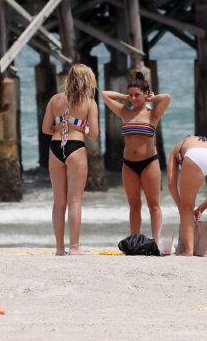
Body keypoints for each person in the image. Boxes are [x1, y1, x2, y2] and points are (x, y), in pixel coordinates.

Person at [100, 71, 170, 241]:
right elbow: (104, 94)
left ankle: (156, 241)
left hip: (149, 163)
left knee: (154, 205)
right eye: (130, 95)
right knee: (134, 206)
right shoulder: (124, 112)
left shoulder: (153, 114)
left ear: (146, 94)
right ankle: (134, 240)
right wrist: (125, 97)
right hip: (129, 164)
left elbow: (167, 98)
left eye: (137, 95)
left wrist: (152, 98)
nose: (133, 98)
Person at [41, 63, 100, 256]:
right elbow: (94, 134)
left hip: (55, 147)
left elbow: (45, 129)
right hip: (75, 147)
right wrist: (80, 128)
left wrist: (61, 126)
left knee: (59, 201)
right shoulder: (89, 103)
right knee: (74, 200)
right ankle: (75, 247)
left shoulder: (55, 100)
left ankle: (59, 248)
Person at [168, 136, 207, 256]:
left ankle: (189, 251)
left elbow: (171, 184)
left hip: (194, 155)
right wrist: (200, 209)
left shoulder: (177, 148)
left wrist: (181, 207)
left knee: (187, 207)